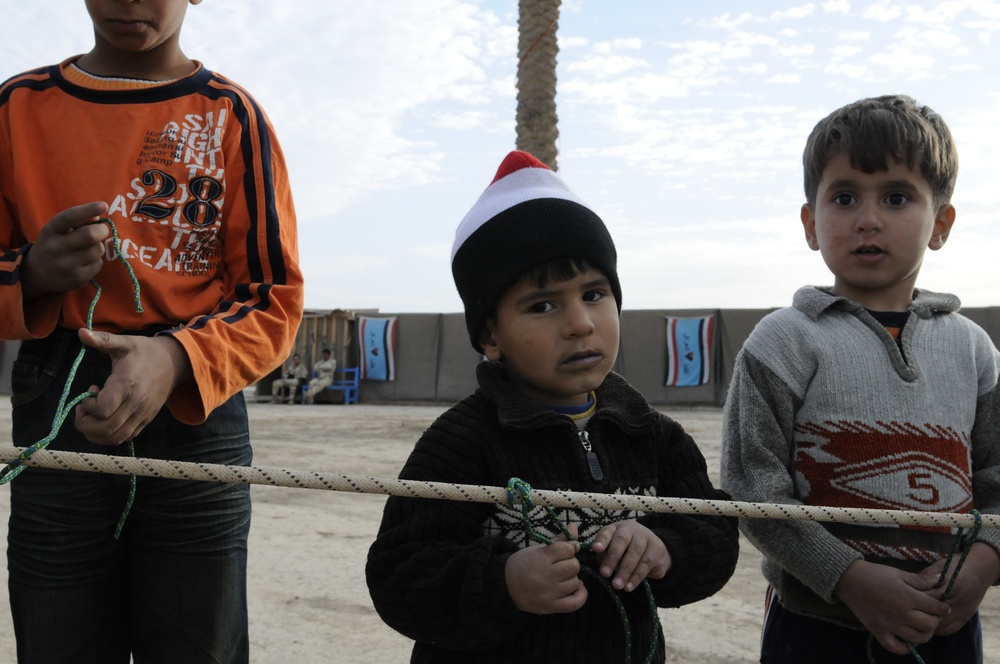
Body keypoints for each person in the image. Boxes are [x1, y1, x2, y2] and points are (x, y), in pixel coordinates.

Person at [0, 1, 303, 662]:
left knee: (201, 644)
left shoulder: (233, 118)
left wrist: (173, 359)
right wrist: (31, 273)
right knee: (58, 637)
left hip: (199, 410)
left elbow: (274, 299)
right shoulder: (15, 110)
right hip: (57, 391)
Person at [365, 150, 739, 663]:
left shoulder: (654, 436)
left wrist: (664, 549)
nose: (580, 323)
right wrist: (503, 582)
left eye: (594, 293)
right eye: (542, 305)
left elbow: (716, 534)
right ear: (490, 335)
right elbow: (400, 575)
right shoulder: (461, 442)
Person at [719, 94, 1000, 663]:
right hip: (816, 628)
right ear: (811, 223)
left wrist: (983, 564)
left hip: (945, 626)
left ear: (940, 223)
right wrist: (849, 578)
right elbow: (753, 490)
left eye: (897, 197)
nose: (868, 219)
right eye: (844, 197)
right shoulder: (782, 342)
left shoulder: (974, 350)